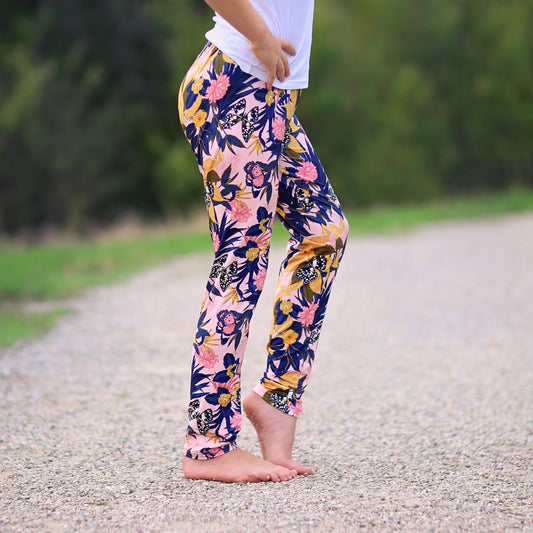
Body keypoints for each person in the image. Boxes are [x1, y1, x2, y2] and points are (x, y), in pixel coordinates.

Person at [177, 0, 349, 483]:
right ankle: (207, 446)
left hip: (268, 95)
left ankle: (276, 398)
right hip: (234, 87)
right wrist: (259, 36)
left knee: (324, 232)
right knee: (241, 264)